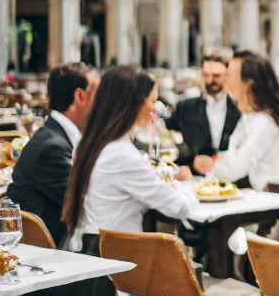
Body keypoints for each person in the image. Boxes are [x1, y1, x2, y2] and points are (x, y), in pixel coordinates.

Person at [62, 66, 194, 295]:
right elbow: (180, 207)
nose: (154, 109)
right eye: (151, 101)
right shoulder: (121, 155)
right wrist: (184, 184)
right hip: (119, 270)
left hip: (89, 256)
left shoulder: (90, 145)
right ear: (134, 104)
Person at [7, 63, 99, 246]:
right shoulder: (52, 147)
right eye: (98, 95)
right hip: (40, 257)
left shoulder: (57, 135)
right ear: (80, 96)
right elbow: (86, 204)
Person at [194, 52, 279, 190]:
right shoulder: (249, 117)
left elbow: (234, 169)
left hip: (272, 203)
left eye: (230, 74)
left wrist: (209, 169)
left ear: (248, 84)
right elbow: (230, 157)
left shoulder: (264, 122)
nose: (225, 79)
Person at [165, 54, 241, 173]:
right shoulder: (185, 107)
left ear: (227, 76)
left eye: (216, 76)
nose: (210, 80)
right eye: (206, 75)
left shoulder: (239, 109)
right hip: (193, 177)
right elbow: (166, 138)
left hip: (231, 180)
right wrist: (191, 160)